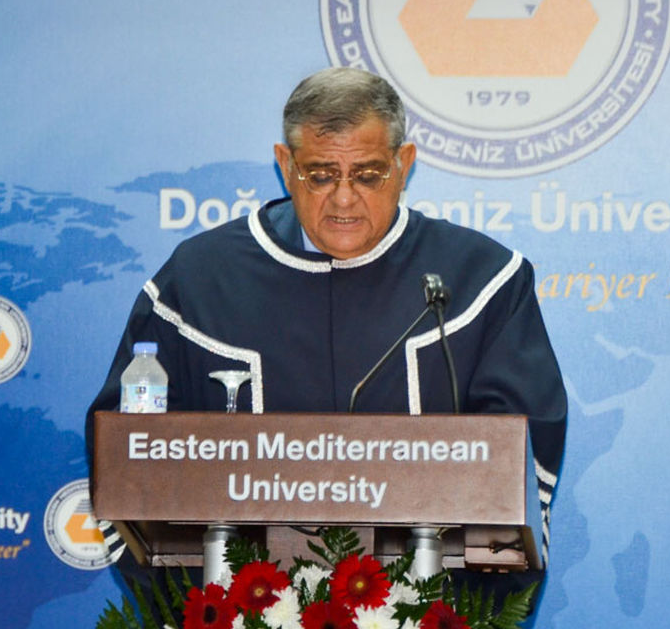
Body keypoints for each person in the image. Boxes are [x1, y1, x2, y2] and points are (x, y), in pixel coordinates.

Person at [85, 67, 566, 586]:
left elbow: (518, 465)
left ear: (404, 164)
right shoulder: (199, 278)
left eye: (367, 174)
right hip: (238, 615)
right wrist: (212, 616)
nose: (343, 198)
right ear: (285, 165)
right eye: (320, 175)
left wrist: (443, 619)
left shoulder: (481, 280)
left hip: (427, 612)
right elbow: (130, 460)